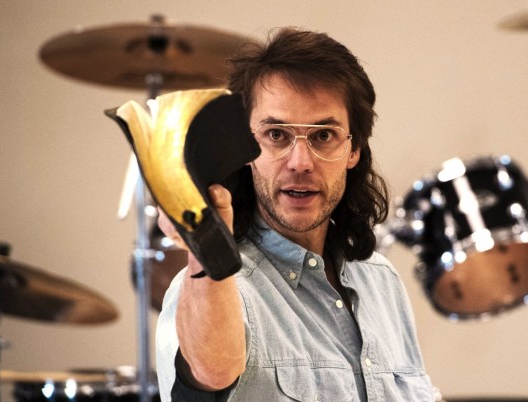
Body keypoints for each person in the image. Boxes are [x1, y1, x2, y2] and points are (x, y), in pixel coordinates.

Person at [156, 27, 436, 401]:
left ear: (354, 150)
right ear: (243, 148)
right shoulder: (219, 290)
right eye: (276, 135)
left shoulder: (382, 279)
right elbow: (210, 374)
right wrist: (206, 252)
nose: (300, 162)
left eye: (323, 135)